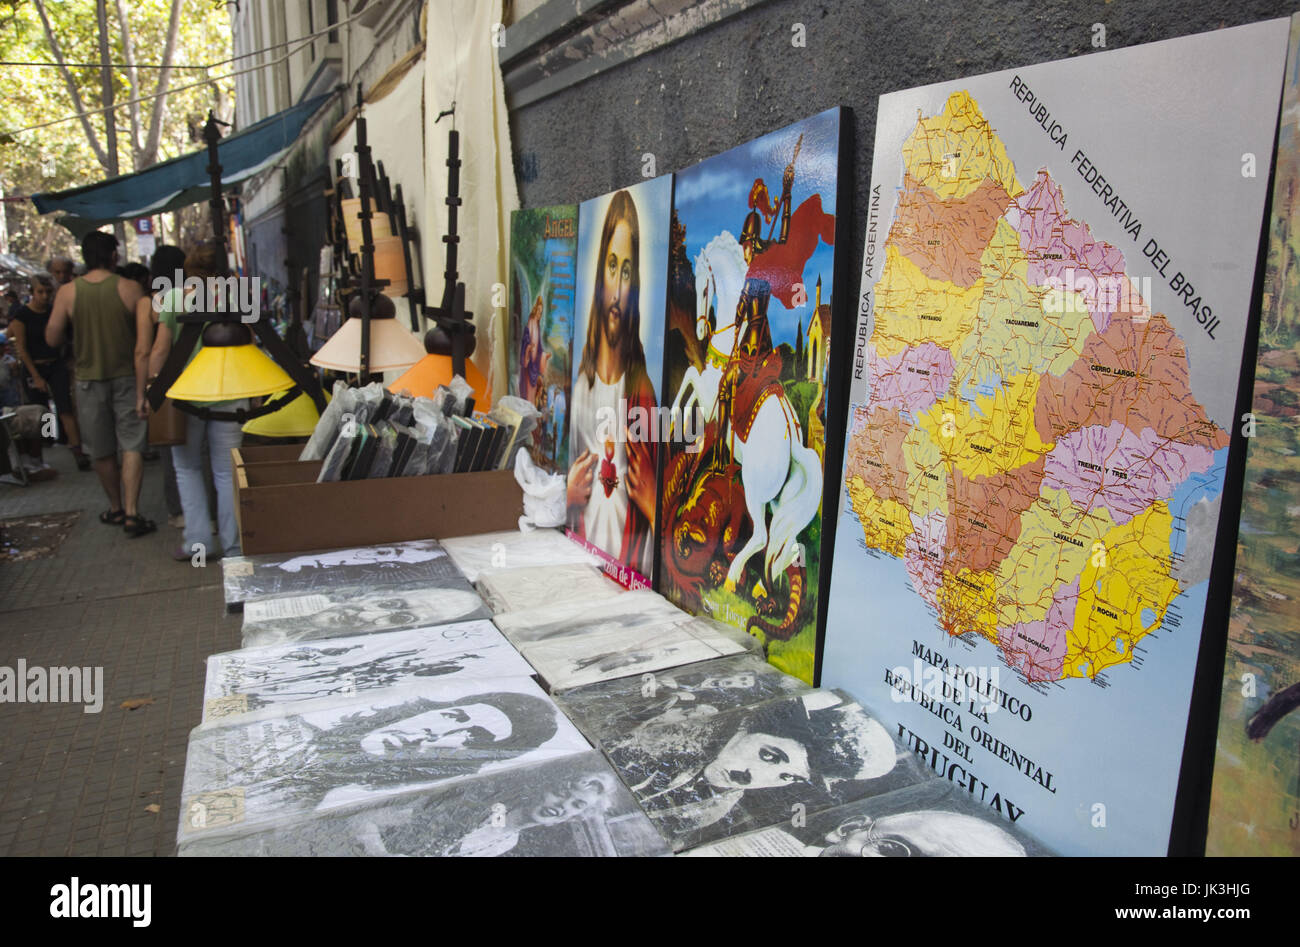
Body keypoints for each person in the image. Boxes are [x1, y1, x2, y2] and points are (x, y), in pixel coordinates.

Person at [566, 190, 659, 577]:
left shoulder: (642, 394)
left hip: (630, 582)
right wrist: (565, 497)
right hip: (580, 567)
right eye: (611, 265)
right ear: (599, 273)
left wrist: (655, 504)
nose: (618, 288)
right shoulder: (580, 387)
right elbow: (564, 476)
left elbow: (663, 525)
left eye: (627, 271)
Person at [45, 231, 152, 535]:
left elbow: (51, 338)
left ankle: (116, 508)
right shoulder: (131, 289)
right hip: (127, 379)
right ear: (113, 256)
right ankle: (133, 513)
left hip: (87, 381)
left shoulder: (67, 292)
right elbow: (143, 345)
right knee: (132, 444)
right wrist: (143, 389)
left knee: (102, 450)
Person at [149, 241, 243, 559]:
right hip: (230, 393)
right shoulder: (235, 296)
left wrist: (152, 389)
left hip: (184, 397)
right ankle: (234, 547)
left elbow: (160, 351)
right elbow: (251, 344)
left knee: (187, 468)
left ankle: (198, 543)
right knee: (226, 471)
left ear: (190, 270)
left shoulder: (174, 297)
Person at [8, 274, 89, 470]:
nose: (44, 296)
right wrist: (35, 375)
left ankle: (77, 450)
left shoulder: (54, 312)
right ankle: (44, 446)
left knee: (65, 408)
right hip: (34, 366)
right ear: (32, 293)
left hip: (56, 365)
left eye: (48, 292)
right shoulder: (22, 316)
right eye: (40, 292)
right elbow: (22, 348)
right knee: (40, 411)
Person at [134, 245, 188, 527]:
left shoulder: (149, 303)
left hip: (166, 384)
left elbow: (145, 351)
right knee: (199, 448)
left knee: (172, 448)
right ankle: (209, 512)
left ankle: (179, 511)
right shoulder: (194, 296)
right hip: (197, 378)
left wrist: (144, 392)